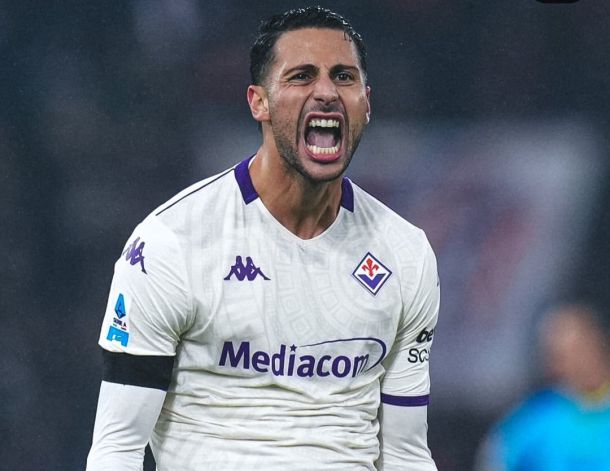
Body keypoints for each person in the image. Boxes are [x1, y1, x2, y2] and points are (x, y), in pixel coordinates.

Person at [87, 6, 440, 470]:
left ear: (366, 102)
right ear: (259, 102)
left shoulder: (405, 253)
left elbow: (406, 453)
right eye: (301, 76)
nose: (327, 92)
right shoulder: (171, 243)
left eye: (344, 77)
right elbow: (117, 448)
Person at [476, 303, 610, 471]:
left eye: (578, 349)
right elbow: (494, 460)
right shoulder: (536, 416)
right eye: (559, 355)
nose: (573, 361)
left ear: (599, 343)